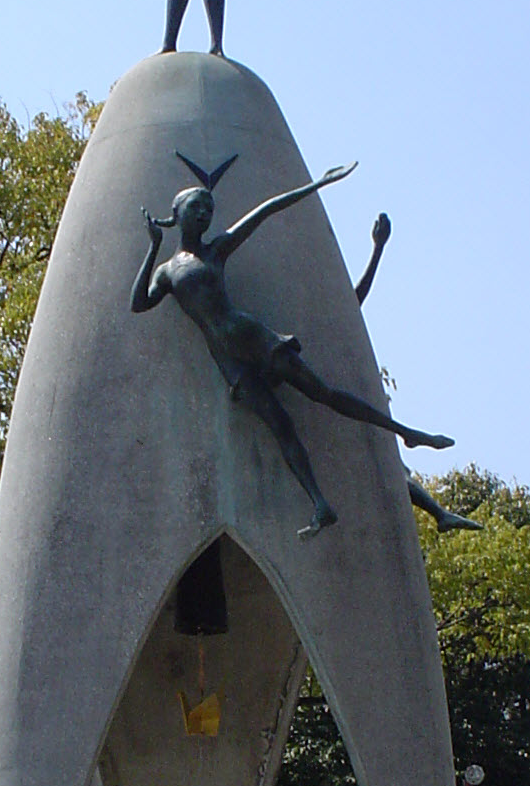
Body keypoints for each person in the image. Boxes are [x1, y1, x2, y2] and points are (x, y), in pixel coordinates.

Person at [131, 167, 454, 540]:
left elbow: (266, 211)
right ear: (177, 213)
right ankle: (320, 504)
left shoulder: (215, 250)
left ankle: (408, 433)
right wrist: (152, 245)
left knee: (324, 394)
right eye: (197, 207)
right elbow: (139, 303)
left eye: (209, 208)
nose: (205, 214)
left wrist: (316, 186)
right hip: (230, 361)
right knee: (280, 425)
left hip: (253, 338)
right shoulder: (167, 271)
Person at [353, 212, 481, 534]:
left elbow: (354, 300)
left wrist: (378, 249)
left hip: (352, 404)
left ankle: (440, 513)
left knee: (397, 470)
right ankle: (438, 510)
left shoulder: (328, 322)